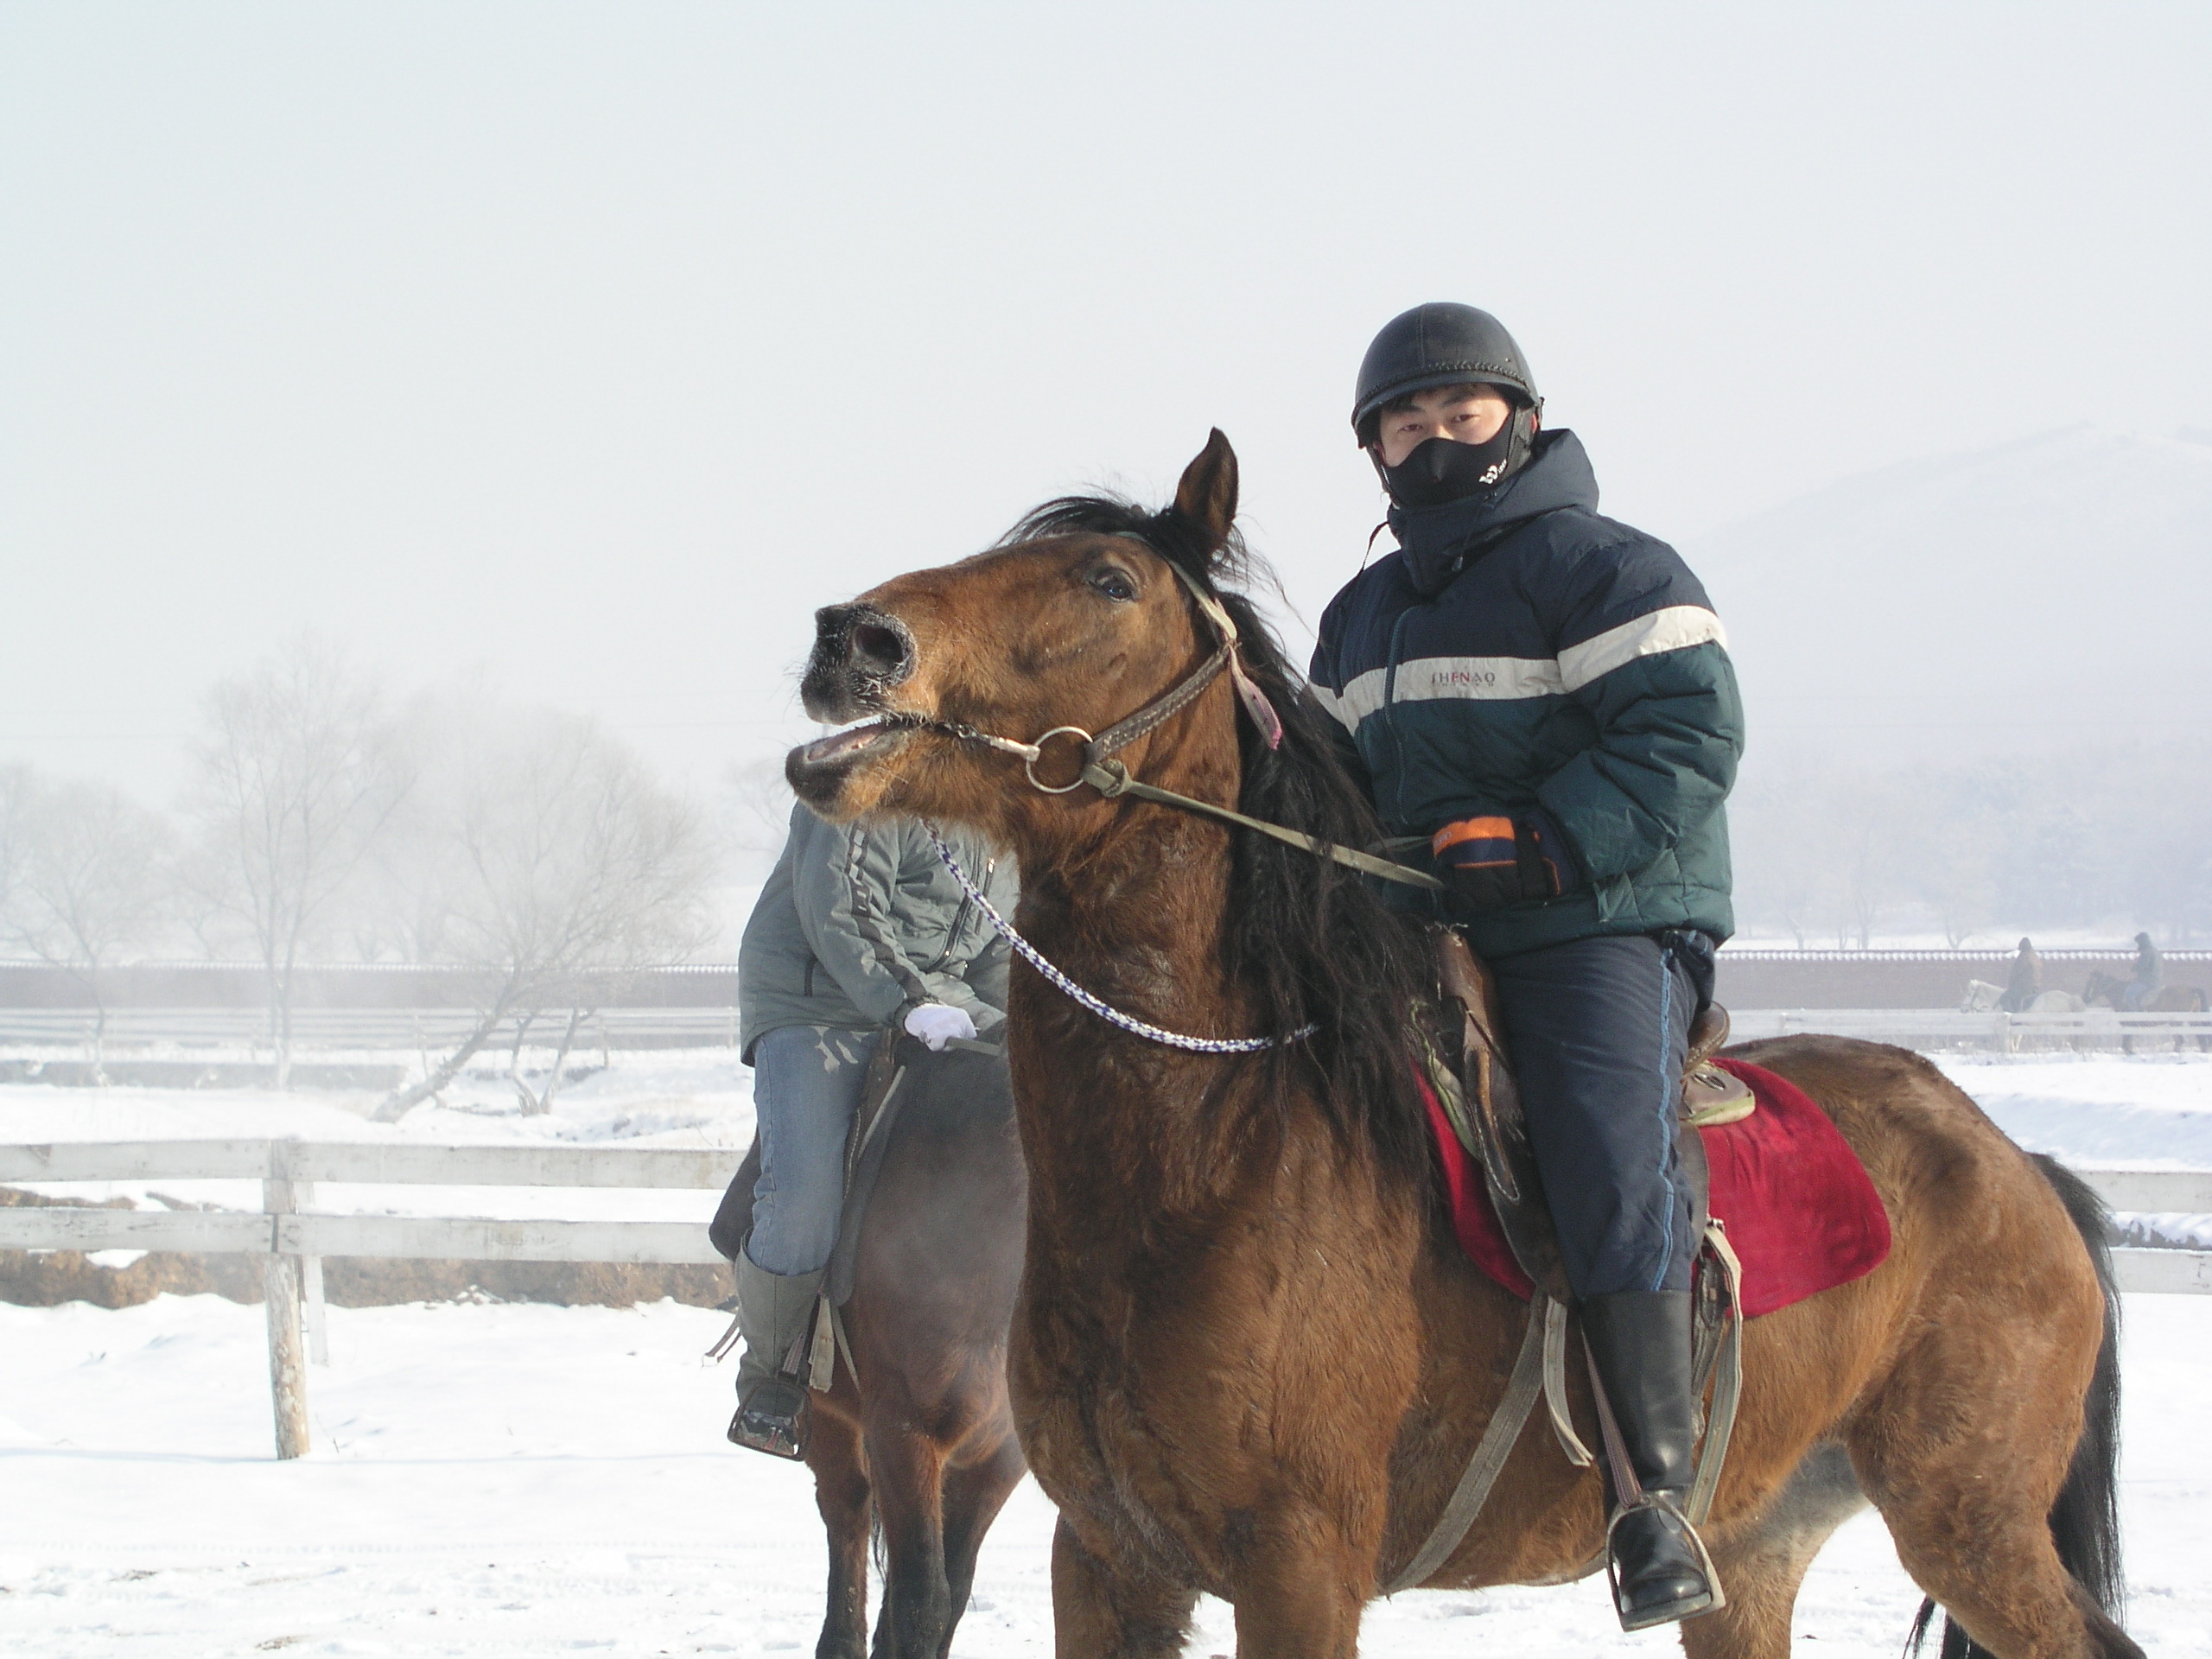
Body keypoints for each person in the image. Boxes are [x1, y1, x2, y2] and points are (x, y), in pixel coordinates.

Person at [1309, 303, 1745, 1631]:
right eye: (1407, 421)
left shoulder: (1610, 567)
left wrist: (1549, 845)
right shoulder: (1359, 613)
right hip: (1417, 928)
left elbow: (1687, 733)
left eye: (1462, 413)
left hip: (1596, 919)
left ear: (1525, 422)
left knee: (1603, 1147)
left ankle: (1654, 1499)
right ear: (1375, 448)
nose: (1434, 438)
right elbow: (1327, 785)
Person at [712, 803, 1014, 1458]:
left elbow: (1000, 949)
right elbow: (840, 908)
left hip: (937, 1004)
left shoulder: (1003, 809)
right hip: (814, 999)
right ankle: (772, 1375)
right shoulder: (870, 782)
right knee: (803, 1198)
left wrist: (1014, 1026)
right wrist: (911, 1006)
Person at [1999, 937, 2043, 1013]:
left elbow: (2016, 972)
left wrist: (2011, 984)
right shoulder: (2035, 956)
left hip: (2024, 986)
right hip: (2035, 986)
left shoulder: (2024, 956)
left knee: (2005, 997)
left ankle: (2013, 1016)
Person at [2125, 931, 2163, 1012]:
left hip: (2147, 981)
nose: (2138, 945)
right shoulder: (2155, 951)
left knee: (2129, 995)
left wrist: (2132, 969)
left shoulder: (2146, 953)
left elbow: (2141, 966)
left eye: (2139, 942)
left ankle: (2134, 1014)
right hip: (2156, 980)